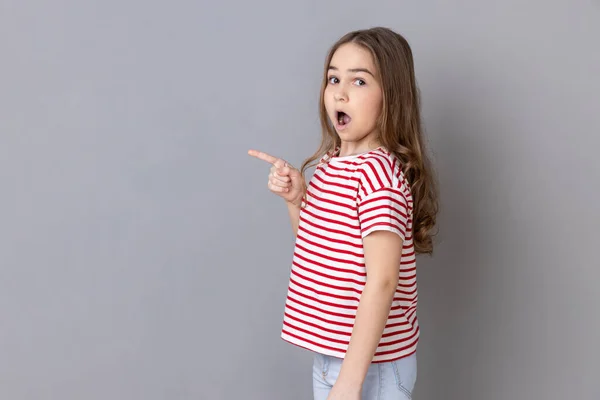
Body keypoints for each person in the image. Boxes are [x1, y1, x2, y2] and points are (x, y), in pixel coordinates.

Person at [248, 26, 439, 400]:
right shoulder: (331, 165)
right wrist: (296, 200)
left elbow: (382, 282)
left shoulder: (377, 177)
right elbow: (321, 252)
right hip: (335, 355)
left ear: (391, 96)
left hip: (371, 366)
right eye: (333, 78)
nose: (340, 91)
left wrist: (350, 383)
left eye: (360, 81)